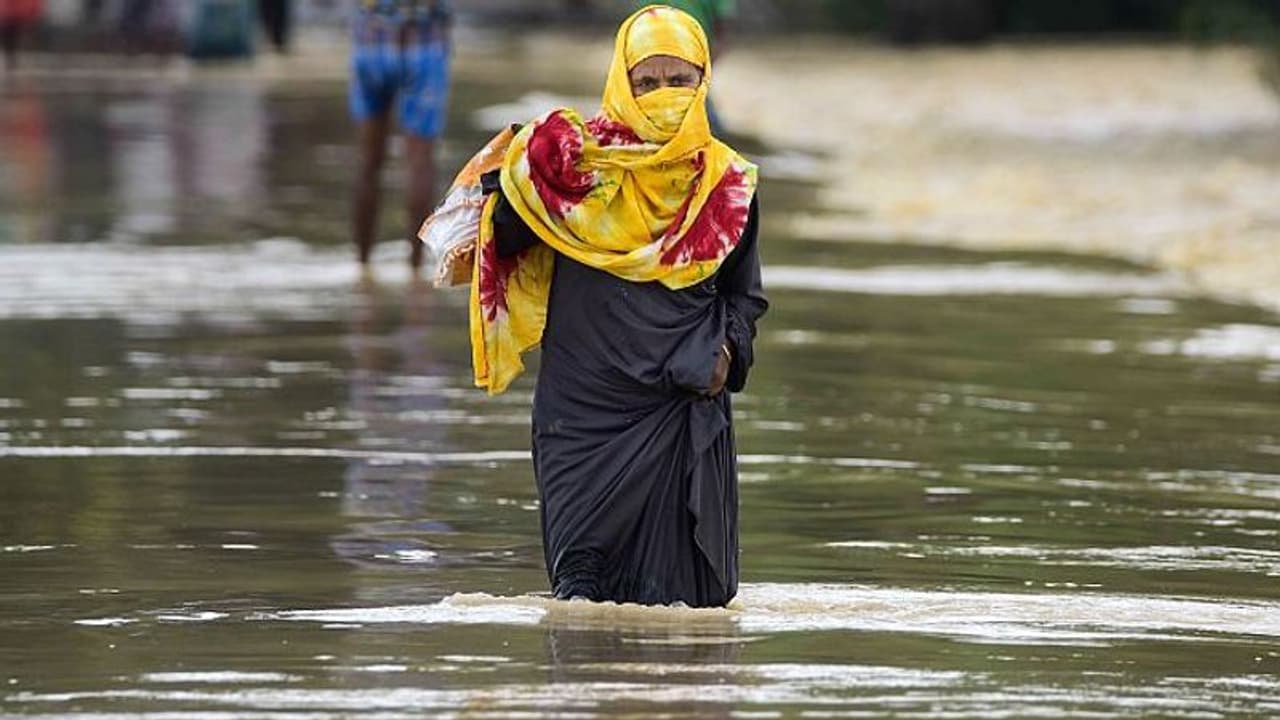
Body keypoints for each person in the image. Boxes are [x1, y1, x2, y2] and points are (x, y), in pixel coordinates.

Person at [468, 5, 767, 607]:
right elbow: (503, 234)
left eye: (679, 81)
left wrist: (728, 354)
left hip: (678, 407)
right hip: (582, 420)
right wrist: (527, 170)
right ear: (621, 85)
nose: (664, 96)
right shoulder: (577, 170)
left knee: (688, 615)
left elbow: (745, 295)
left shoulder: (727, 185)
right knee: (577, 604)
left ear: (703, 81)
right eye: (647, 83)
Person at [350, 0, 452, 267]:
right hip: (424, 38)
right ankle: (416, 269)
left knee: (368, 161)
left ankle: (362, 267)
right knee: (419, 163)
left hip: (371, 38)